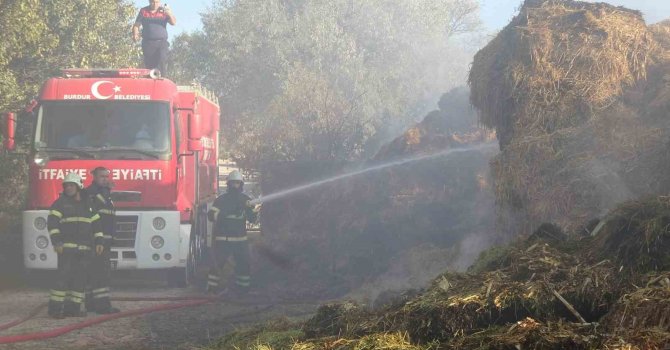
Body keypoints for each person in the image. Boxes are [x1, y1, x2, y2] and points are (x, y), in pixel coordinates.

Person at [47, 173, 104, 318]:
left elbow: (97, 224)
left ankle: (74, 309)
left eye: (71, 185)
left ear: (79, 186)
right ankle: (55, 310)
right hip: (66, 249)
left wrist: (99, 241)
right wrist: (57, 242)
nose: (68, 188)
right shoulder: (60, 203)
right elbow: (52, 224)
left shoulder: (88, 204)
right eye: (66, 185)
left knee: (80, 280)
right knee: (62, 279)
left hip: (84, 250)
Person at [207, 170, 261, 295]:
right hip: (223, 240)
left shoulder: (246, 200)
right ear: (228, 184)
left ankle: (243, 289)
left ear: (241, 185)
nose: (235, 185)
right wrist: (226, 213)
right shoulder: (221, 200)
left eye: (237, 183)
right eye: (233, 183)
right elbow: (211, 215)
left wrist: (253, 210)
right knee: (217, 264)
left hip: (240, 240)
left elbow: (252, 219)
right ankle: (211, 288)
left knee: (244, 264)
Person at [83, 167, 120, 314]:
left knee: (95, 272)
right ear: (94, 177)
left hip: (104, 240)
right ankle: (103, 306)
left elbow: (109, 219)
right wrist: (105, 192)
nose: (105, 179)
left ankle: (91, 304)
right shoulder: (91, 193)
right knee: (101, 273)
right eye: (102, 177)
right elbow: (94, 208)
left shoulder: (105, 195)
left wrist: (113, 238)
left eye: (107, 176)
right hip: (96, 241)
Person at [132, 0, 176, 75]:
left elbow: (173, 22)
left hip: (162, 42)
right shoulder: (143, 11)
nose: (155, 4)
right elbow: (136, 25)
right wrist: (135, 34)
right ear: (149, 1)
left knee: (162, 59)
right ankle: (151, 81)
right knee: (150, 65)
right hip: (148, 43)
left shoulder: (164, 11)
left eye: (157, 2)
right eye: (153, 2)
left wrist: (169, 13)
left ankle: (162, 79)